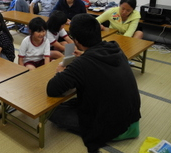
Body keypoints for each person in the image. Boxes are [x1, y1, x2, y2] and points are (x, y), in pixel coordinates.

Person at [46, 13, 141, 153]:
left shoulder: (81, 64)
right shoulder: (114, 48)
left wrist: (60, 71)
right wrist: (83, 57)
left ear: (76, 41)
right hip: (132, 117)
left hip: (115, 127)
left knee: (52, 112)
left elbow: (52, 89)